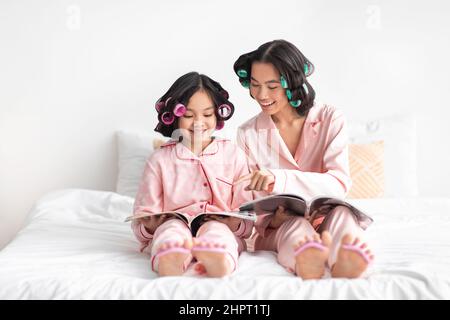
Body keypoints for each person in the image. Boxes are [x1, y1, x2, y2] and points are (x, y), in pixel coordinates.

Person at [233, 40, 374, 279]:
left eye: (272, 86)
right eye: (255, 85)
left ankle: (347, 261)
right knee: (294, 228)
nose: (261, 95)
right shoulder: (247, 133)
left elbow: (338, 184)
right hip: (280, 224)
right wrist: (272, 218)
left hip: (326, 213)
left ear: (293, 82)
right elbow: (248, 204)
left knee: (342, 216)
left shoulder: (330, 118)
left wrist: (277, 179)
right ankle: (307, 260)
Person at [131, 72, 254, 277]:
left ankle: (217, 257)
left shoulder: (234, 154)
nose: (198, 122)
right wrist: (149, 226)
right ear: (174, 117)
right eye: (188, 115)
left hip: (219, 224)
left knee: (218, 232)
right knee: (169, 231)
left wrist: (236, 223)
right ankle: (170, 258)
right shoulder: (159, 160)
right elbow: (142, 215)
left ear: (218, 115)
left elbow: (247, 212)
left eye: (207, 115)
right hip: (173, 222)